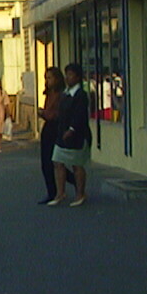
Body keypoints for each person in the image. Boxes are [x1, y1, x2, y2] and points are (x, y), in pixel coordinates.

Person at [49, 61, 92, 207]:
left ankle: (80, 193)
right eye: (66, 75)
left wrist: (72, 129)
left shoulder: (81, 95)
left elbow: (80, 115)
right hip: (62, 133)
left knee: (76, 165)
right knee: (57, 161)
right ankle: (60, 193)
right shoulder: (66, 94)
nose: (68, 78)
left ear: (78, 77)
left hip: (77, 136)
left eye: (71, 75)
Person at [37, 67, 65, 203]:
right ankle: (52, 192)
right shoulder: (49, 93)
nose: (48, 81)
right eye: (46, 78)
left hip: (56, 127)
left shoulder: (61, 94)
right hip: (48, 127)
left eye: (50, 78)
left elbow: (56, 113)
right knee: (46, 162)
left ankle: (74, 182)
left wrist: (44, 114)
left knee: (57, 161)